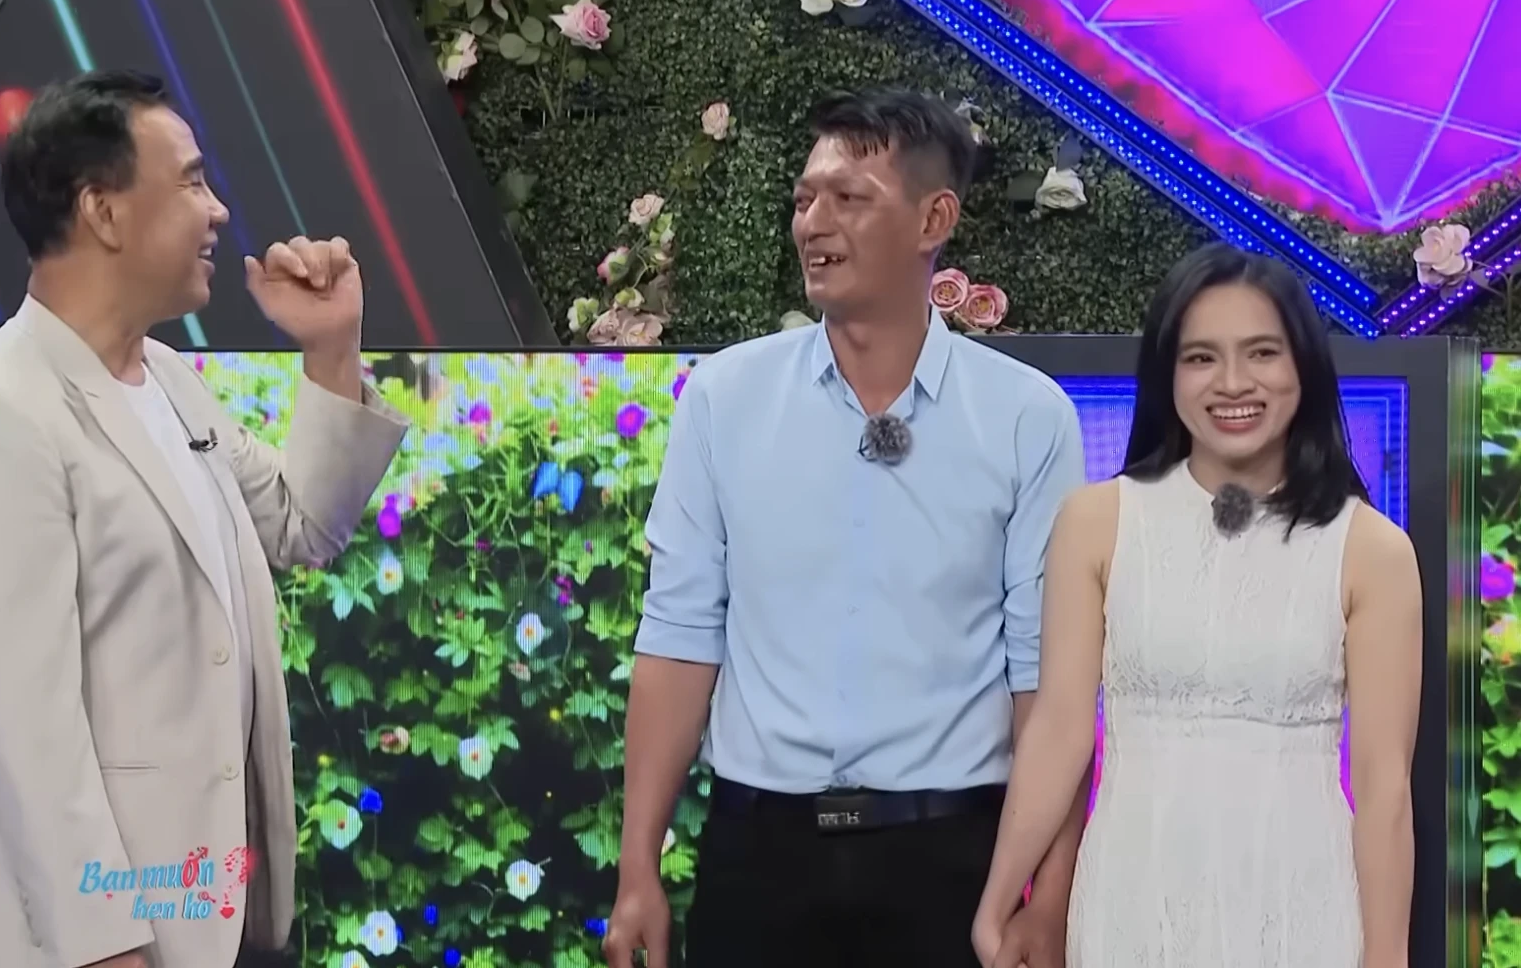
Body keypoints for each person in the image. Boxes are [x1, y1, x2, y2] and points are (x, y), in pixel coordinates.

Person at [0, 70, 409, 968]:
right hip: (83, 944)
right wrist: (106, 948)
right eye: (191, 181)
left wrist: (332, 347)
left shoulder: (168, 379)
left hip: (206, 917)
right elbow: (23, 733)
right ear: (102, 212)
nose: (218, 211)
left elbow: (303, 525)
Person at [603, 87, 1090, 968]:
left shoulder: (1027, 417)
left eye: (848, 198)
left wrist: (1050, 897)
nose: (813, 223)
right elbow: (678, 637)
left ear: (934, 219)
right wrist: (638, 866)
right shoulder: (724, 398)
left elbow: (1046, 682)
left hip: (952, 860)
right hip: (759, 857)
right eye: (804, 199)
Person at [971, 244, 1421, 968]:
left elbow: (1383, 787)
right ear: (1167, 373)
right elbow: (1058, 731)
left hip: (1299, 907)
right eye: (1201, 357)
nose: (1233, 382)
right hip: (1129, 901)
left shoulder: (1372, 550)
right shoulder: (1097, 521)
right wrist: (1002, 896)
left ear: (1304, 365)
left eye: (1262, 353)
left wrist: (1388, 955)